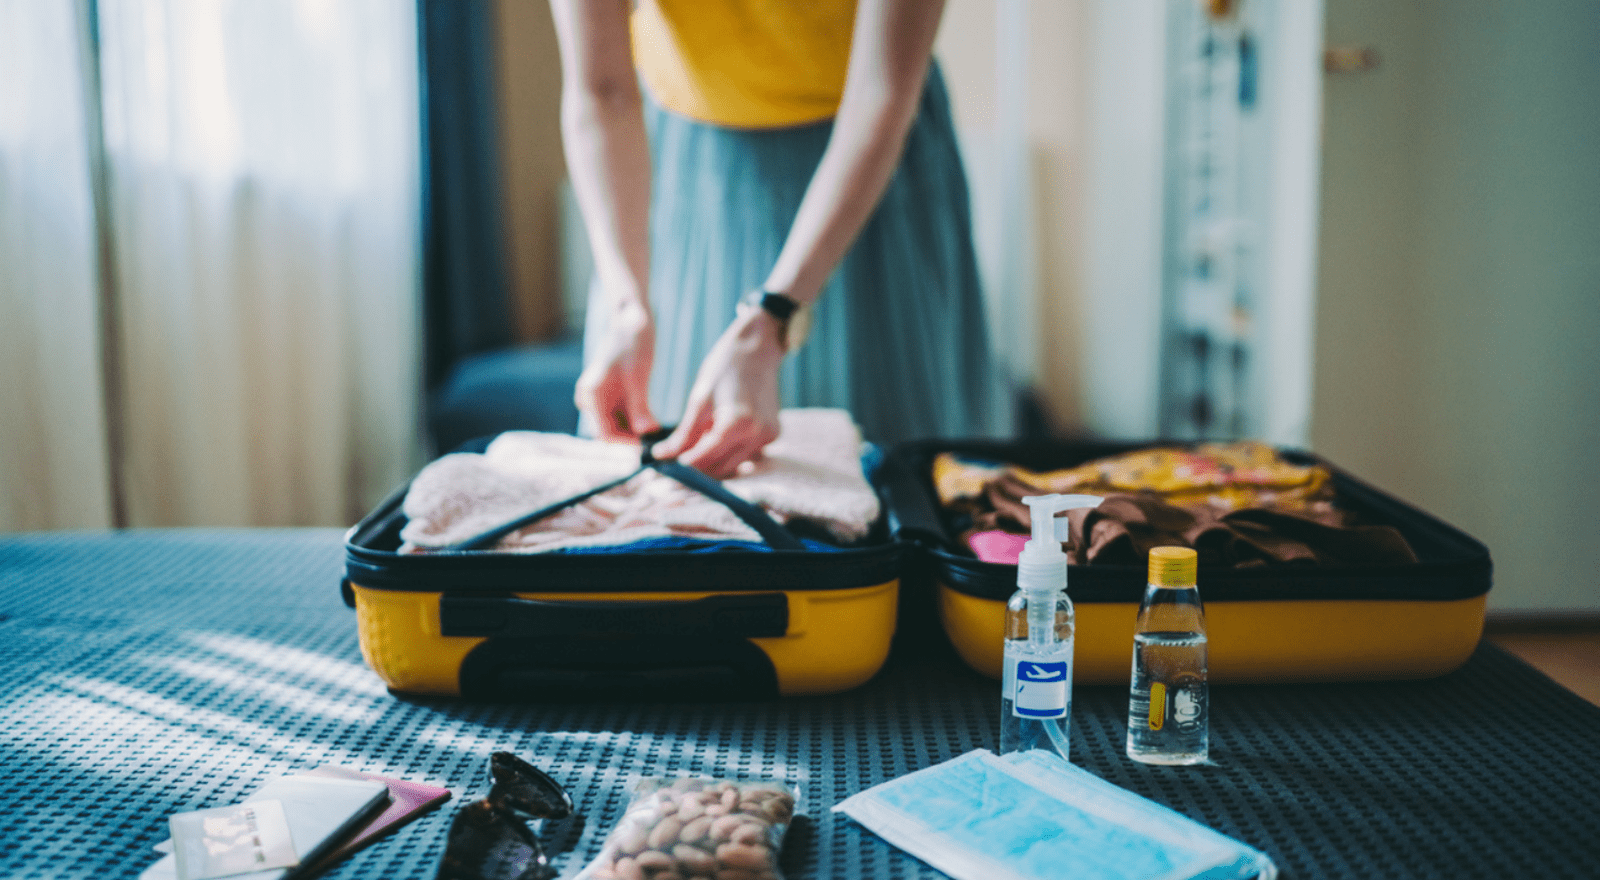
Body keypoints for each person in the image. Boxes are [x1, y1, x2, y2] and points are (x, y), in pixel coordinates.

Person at [551, 0, 1001, 478]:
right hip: (686, 166)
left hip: (871, 161)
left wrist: (773, 319)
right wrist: (627, 302)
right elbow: (602, 91)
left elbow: (882, 90)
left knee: (894, 475)